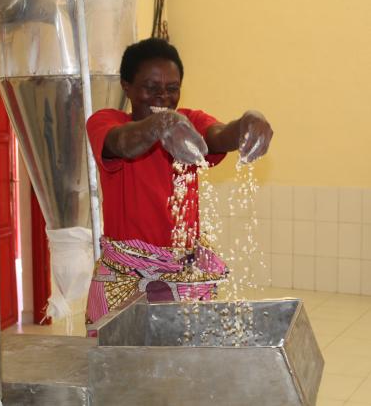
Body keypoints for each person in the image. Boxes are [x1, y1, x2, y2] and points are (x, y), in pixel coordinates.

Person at [85, 37, 273, 330]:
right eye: (151, 88)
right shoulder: (107, 122)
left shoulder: (189, 122)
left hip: (185, 275)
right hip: (125, 280)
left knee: (186, 365)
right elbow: (121, 144)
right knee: (119, 365)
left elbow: (220, 134)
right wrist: (162, 125)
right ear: (127, 86)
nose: (162, 97)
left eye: (172, 89)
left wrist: (249, 121)